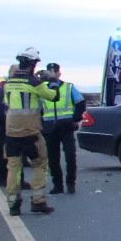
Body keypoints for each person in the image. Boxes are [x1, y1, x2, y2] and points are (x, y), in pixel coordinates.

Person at [2, 47, 57, 215]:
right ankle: (38, 200)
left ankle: (13, 204)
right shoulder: (34, 82)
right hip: (31, 133)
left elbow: (7, 103)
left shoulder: (9, 83)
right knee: (40, 164)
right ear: (33, 64)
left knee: (13, 167)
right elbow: (53, 96)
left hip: (11, 132)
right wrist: (51, 80)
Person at [40, 62, 85, 195]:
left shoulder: (68, 87)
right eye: (50, 71)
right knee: (53, 158)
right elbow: (37, 108)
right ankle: (57, 185)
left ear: (59, 73)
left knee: (70, 156)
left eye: (55, 71)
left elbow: (80, 103)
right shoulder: (42, 88)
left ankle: (71, 183)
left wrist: (75, 119)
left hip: (66, 126)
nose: (52, 73)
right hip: (49, 127)